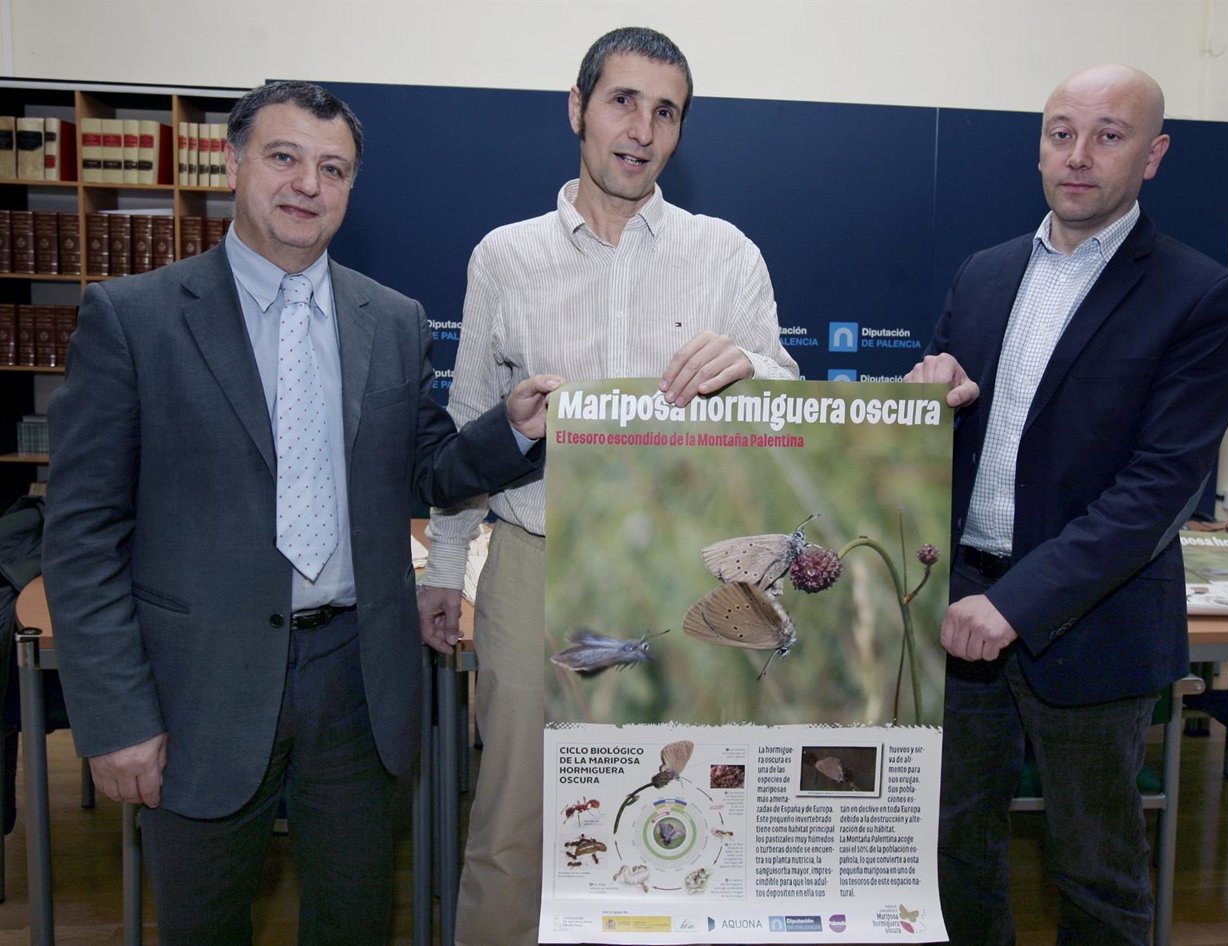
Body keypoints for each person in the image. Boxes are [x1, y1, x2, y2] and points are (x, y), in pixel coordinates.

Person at [42, 80, 561, 945]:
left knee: (355, 921)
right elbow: (83, 537)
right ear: (233, 162)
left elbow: (430, 467)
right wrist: (117, 717)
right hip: (199, 688)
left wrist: (508, 429)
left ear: (351, 188)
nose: (306, 185)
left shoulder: (390, 321)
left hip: (359, 681)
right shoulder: (133, 320)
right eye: (283, 158)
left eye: (333, 169)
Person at [418, 27, 799, 945]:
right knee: (514, 818)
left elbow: (793, 396)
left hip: (677, 574)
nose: (642, 129)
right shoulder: (505, 257)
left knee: (682, 799)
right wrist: (444, 572)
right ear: (577, 109)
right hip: (531, 565)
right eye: (623, 101)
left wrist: (747, 363)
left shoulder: (728, 254)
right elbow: (465, 436)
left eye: (665, 112)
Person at [905, 64, 1228, 944]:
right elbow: (940, 445)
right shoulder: (981, 276)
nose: (1080, 156)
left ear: (1156, 153)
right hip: (960, 613)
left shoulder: (1201, 297)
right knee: (954, 851)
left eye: (1109, 134)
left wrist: (1014, 605)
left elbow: (1156, 492)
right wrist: (921, 400)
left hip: (1091, 626)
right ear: (1040, 147)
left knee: (1095, 868)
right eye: (1062, 133)